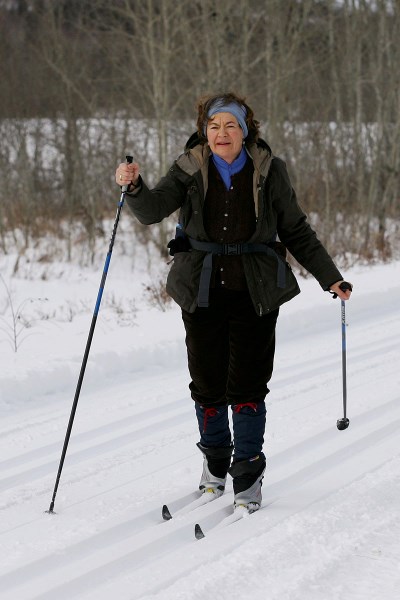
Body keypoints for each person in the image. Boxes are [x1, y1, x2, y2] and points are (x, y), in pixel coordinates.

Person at [115, 91, 352, 514]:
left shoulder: (269, 170)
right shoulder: (189, 167)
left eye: (230, 125)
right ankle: (214, 465)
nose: (221, 133)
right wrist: (134, 186)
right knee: (206, 384)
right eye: (213, 126)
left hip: (255, 289)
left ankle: (248, 475)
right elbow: (152, 210)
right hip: (201, 288)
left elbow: (295, 229)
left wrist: (330, 277)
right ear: (204, 131)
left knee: (246, 386)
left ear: (245, 130)